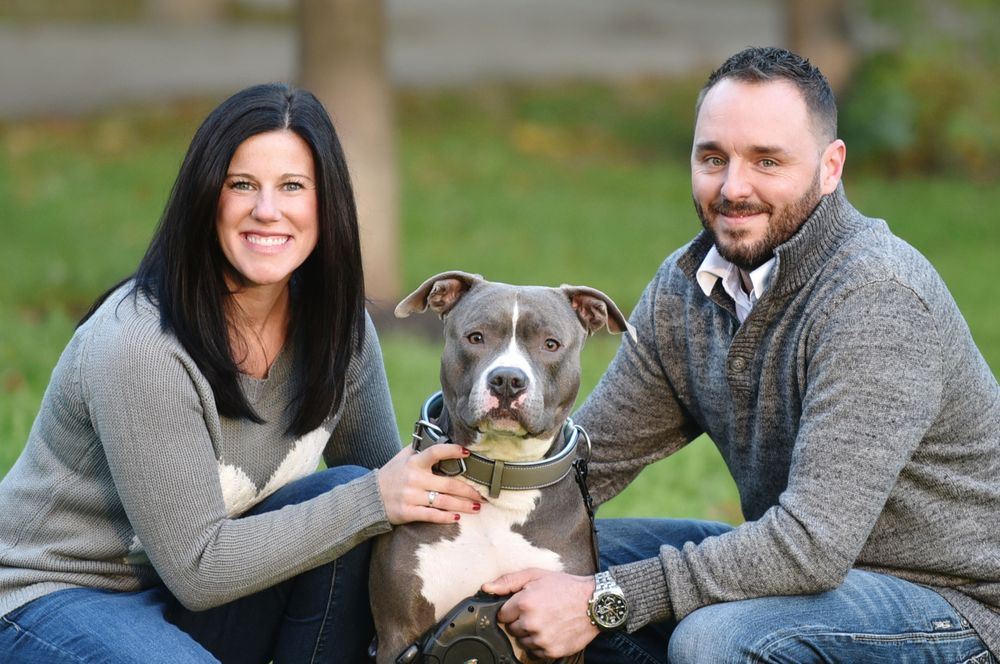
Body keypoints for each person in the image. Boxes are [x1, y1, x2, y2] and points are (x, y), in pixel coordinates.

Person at [483, 47, 1000, 663]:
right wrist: (456, 495)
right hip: (799, 572)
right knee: (530, 564)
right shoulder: (688, 289)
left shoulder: (875, 299)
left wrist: (602, 599)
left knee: (716, 641)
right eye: (713, 158)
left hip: (952, 605)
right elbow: (588, 464)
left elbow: (812, 544)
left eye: (767, 161)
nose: (733, 187)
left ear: (830, 167)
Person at [0, 83, 482, 663]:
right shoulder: (141, 346)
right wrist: (373, 500)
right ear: (207, 197)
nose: (267, 210)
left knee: (345, 494)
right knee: (354, 502)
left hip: (187, 603)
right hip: (52, 595)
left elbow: (389, 487)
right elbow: (199, 570)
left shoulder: (337, 329)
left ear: (326, 203)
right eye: (242, 185)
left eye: (293, 187)